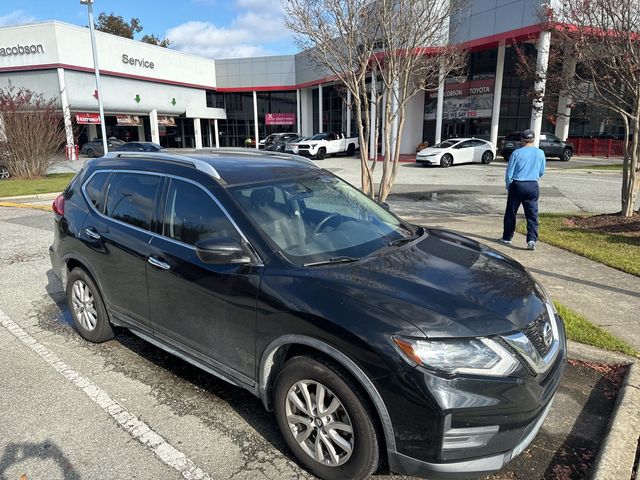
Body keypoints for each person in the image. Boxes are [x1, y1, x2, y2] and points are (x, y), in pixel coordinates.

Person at [500, 129, 546, 250]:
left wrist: (508, 185)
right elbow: (541, 171)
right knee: (532, 214)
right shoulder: (540, 153)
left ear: (522, 140)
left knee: (511, 212)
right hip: (532, 185)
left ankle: (507, 237)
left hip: (518, 184)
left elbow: (509, 172)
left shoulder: (517, 153)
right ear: (533, 139)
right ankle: (531, 240)